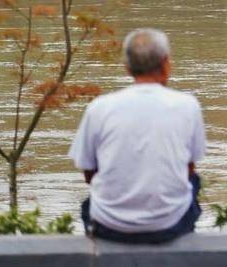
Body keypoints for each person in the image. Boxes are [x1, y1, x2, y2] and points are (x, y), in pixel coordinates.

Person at [69, 28, 206, 243]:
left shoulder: (99, 108)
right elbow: (189, 169)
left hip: (109, 226)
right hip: (170, 226)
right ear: (166, 62)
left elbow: (89, 173)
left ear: (127, 67)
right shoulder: (188, 106)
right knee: (194, 181)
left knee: (93, 199)